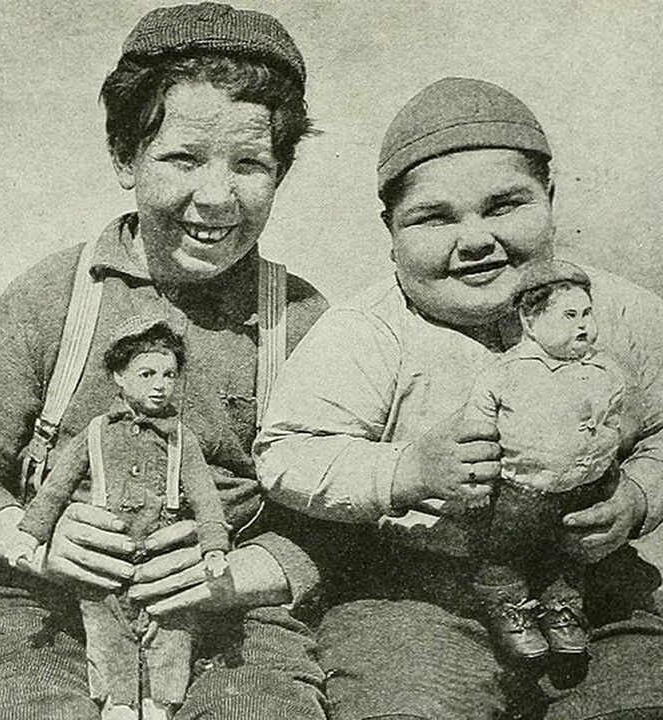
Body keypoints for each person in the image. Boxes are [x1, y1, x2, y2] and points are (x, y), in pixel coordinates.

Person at [0, 4, 330, 718]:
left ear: (280, 172)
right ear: (125, 158)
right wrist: (32, 539)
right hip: (50, 607)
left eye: (250, 164)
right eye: (183, 159)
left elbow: (335, 520)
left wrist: (239, 575)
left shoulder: (302, 321)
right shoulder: (53, 297)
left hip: (236, 618)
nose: (215, 197)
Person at [255, 76, 663, 718]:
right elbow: (287, 450)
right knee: (404, 701)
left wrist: (638, 496)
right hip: (415, 590)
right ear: (391, 230)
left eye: (504, 206)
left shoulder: (616, 313)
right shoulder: (370, 329)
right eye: (434, 217)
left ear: (550, 199)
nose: (474, 240)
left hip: (588, 578)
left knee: (636, 693)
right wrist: (405, 469)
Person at [15, 317, 232, 720]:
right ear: (119, 376)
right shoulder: (96, 432)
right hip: (105, 554)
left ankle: (160, 703)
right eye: (147, 374)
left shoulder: (181, 438)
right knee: (105, 626)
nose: (160, 385)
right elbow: (56, 488)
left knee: (171, 627)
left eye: (169, 375)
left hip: (163, 554)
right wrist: (32, 534)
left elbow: (206, 498)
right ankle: (118, 702)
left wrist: (215, 548)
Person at [466, 260, 625, 665]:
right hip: (520, 492)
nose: (583, 325)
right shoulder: (507, 373)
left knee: (567, 557)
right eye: (569, 316)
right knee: (504, 557)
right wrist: (476, 484)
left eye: (587, 313)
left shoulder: (605, 370)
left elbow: (613, 422)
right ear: (530, 320)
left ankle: (562, 611)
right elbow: (477, 433)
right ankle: (509, 610)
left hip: (581, 491)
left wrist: (606, 469)